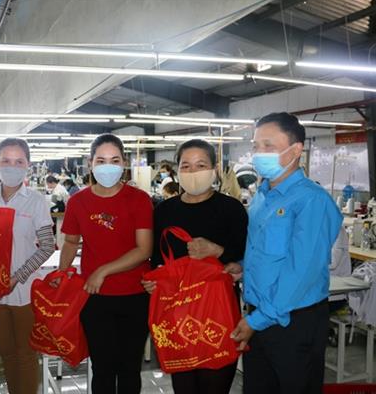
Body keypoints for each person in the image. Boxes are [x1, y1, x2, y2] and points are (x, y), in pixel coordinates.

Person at [230, 112, 342, 394]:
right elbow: (266, 250)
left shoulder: (311, 200)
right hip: (261, 315)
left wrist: (256, 321)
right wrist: (243, 266)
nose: (259, 153)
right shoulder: (262, 195)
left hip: (293, 322)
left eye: (268, 145)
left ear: (295, 150)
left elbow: (301, 272)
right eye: (256, 146)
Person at [142, 139, 248, 394]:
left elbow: (246, 254)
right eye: (186, 166)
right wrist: (153, 282)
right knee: (184, 387)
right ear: (177, 170)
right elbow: (157, 260)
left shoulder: (231, 209)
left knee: (215, 383)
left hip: (217, 314)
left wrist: (217, 251)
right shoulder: (164, 210)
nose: (193, 172)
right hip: (177, 316)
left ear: (214, 169)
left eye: (201, 165)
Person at [59, 133, 153, 394]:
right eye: (100, 160)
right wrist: (62, 274)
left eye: (114, 160)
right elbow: (70, 242)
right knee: (102, 369)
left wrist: (103, 270)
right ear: (90, 163)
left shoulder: (139, 199)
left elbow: (144, 249)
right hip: (95, 297)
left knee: (129, 369)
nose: (107, 166)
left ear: (124, 163)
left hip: (135, 295)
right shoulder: (78, 202)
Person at [0, 138, 55, 394]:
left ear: (28, 166)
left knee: (26, 355)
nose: (12, 166)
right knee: (7, 354)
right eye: (6, 161)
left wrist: (17, 276)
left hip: (25, 291)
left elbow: (47, 246)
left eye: (19, 161)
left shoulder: (35, 201)